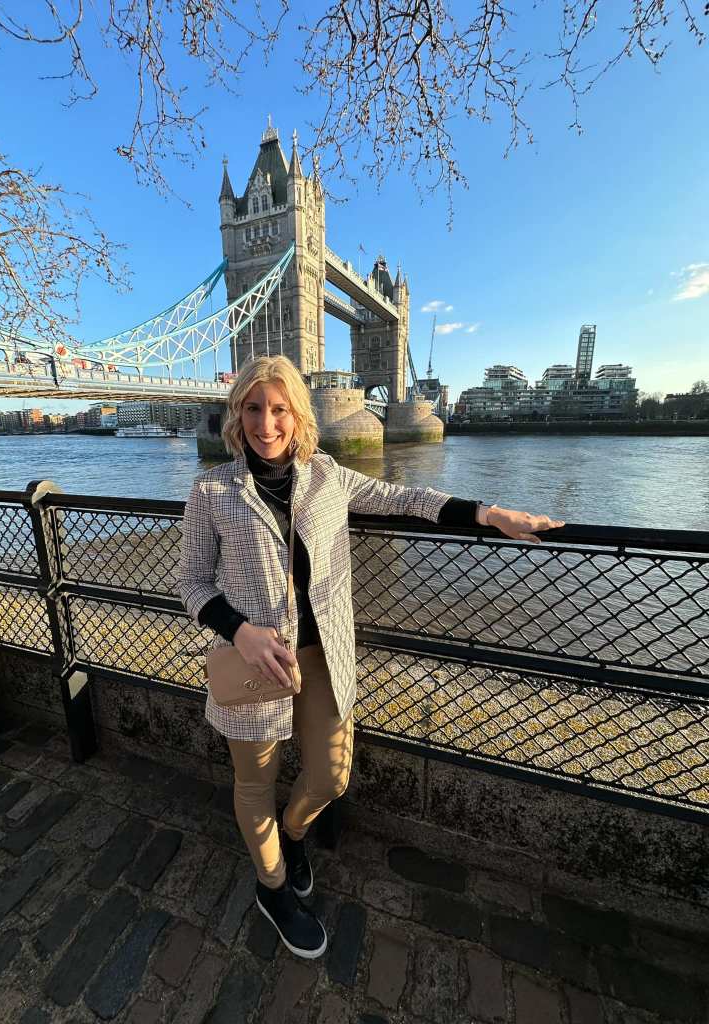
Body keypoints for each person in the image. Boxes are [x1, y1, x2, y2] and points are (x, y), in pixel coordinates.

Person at [177, 355, 563, 960]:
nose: (266, 424)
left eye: (279, 409)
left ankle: (294, 835)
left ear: (298, 415)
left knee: (331, 775)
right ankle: (272, 888)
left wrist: (487, 514)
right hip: (253, 663)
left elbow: (405, 499)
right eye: (253, 408)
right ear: (237, 414)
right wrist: (240, 631)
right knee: (253, 785)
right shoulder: (212, 489)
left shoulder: (328, 476)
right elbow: (192, 582)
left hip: (323, 655)